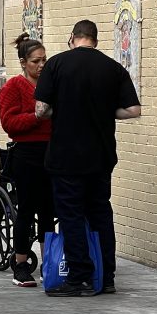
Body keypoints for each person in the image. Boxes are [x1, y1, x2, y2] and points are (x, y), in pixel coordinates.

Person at [34, 19, 141, 297]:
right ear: (95, 39)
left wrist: (66, 110)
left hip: (65, 156)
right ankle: (106, 277)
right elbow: (133, 110)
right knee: (100, 213)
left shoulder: (56, 65)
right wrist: (105, 112)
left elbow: (41, 111)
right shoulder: (114, 68)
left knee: (70, 215)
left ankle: (79, 277)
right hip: (101, 156)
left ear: (73, 38)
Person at [0, 33, 55, 288]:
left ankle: (50, 264)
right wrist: (36, 116)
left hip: (51, 152)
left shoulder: (51, 85)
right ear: (23, 62)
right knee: (27, 210)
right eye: (36, 61)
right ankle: (20, 264)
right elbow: (9, 124)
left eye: (44, 60)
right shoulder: (13, 87)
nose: (41, 65)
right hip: (26, 154)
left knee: (49, 211)